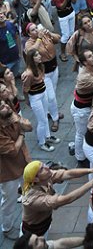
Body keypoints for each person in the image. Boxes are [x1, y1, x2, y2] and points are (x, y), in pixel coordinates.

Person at [0, 99, 32, 237]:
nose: (6, 106)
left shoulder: (11, 115)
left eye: (4, 103)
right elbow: (12, 150)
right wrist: (21, 135)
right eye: (2, 106)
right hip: (8, 172)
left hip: (23, 163)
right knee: (9, 200)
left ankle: (29, 221)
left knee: (29, 192)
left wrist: (17, 120)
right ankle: (6, 228)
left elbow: (29, 126)